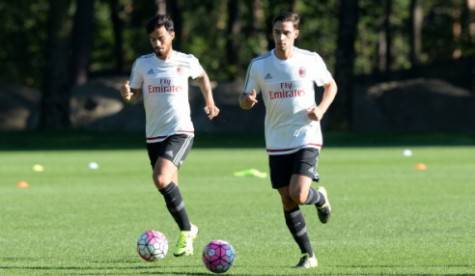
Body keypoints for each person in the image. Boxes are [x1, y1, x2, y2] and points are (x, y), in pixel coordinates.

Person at [239, 12, 337, 268]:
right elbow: (244, 98)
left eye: (286, 32)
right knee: (287, 199)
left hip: (307, 135)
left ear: (296, 33)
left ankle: (319, 198)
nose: (281, 37)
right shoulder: (259, 65)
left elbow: (331, 86)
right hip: (276, 140)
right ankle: (309, 255)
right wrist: (247, 101)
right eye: (276, 32)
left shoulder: (310, 59)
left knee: (299, 193)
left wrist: (321, 110)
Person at [120, 14, 220, 257]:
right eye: (153, 39)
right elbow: (134, 96)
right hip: (154, 135)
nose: (157, 43)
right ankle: (189, 228)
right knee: (169, 184)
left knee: (161, 179)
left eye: (161, 38)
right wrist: (126, 95)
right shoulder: (142, 64)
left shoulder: (186, 61)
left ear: (172, 35)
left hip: (180, 131)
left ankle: (186, 230)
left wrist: (210, 101)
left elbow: (202, 77)